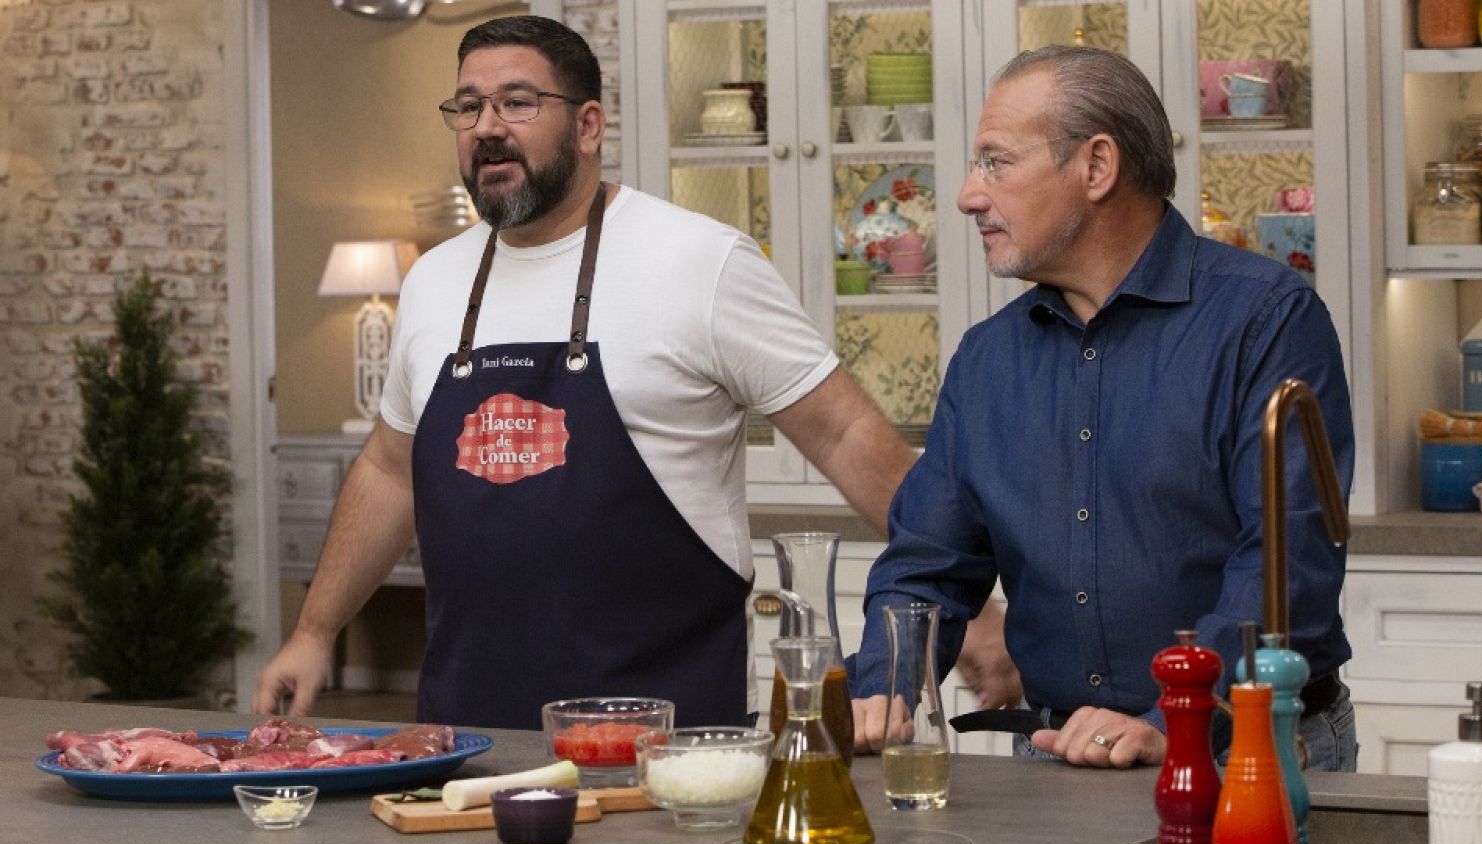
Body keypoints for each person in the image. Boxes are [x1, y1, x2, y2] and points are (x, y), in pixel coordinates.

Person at [253, 16, 916, 729]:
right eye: (468, 106)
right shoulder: (435, 281)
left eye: (517, 101)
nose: (486, 127)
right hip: (466, 745)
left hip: (670, 743)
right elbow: (389, 471)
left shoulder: (700, 261)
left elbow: (845, 432)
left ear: (589, 125)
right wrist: (315, 631)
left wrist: (961, 603)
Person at [848, 45, 1357, 771]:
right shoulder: (986, 360)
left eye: (996, 161)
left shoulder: (1267, 320)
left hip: (1244, 749)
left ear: (1096, 166)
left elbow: (1287, 566)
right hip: (1053, 760)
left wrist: (1174, 719)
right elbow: (928, 567)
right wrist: (885, 688)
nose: (966, 195)